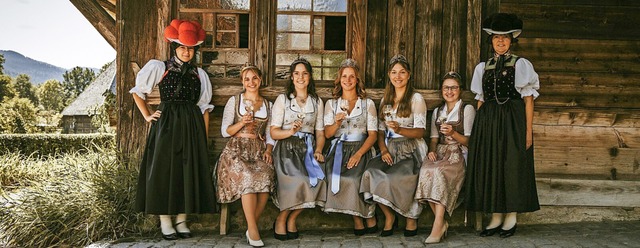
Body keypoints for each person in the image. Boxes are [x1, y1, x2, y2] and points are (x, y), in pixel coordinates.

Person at [130, 19, 216, 240]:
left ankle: (181, 219)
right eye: (182, 48)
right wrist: (148, 115)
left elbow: (204, 108)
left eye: (190, 49)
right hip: (167, 124)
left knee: (187, 171)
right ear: (174, 48)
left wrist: (202, 138)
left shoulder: (200, 75)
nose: (187, 52)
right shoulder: (160, 67)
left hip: (191, 125)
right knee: (165, 170)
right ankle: (165, 220)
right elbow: (137, 92)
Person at [465, 13, 540, 238]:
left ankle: (511, 215)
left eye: (505, 38)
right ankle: (496, 215)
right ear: (491, 41)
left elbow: (528, 99)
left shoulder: (521, 64)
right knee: (492, 165)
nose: (500, 42)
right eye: (496, 38)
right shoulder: (483, 67)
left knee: (512, 165)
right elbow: (480, 99)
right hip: (488, 121)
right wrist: (478, 130)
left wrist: (528, 132)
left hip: (513, 120)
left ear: (511, 40)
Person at [360, 54, 427, 237]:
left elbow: (420, 131)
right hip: (389, 147)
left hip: (410, 148)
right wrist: (383, 150)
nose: (398, 76)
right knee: (370, 173)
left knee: (400, 176)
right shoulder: (385, 100)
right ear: (389, 75)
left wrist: (401, 129)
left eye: (402, 72)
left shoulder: (416, 99)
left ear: (409, 74)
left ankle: (411, 217)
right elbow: (380, 132)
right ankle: (389, 216)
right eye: (394, 72)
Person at [215, 64, 274, 247]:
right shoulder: (235, 101)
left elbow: (271, 134)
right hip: (236, 151)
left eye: (254, 78)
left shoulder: (268, 105)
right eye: (247, 79)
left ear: (260, 80)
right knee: (248, 177)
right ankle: (254, 231)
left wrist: (268, 150)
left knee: (266, 176)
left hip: (257, 150)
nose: (251, 82)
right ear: (242, 81)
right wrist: (241, 122)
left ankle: (250, 226)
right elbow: (225, 131)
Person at [415, 72, 476, 244]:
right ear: (442, 90)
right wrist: (432, 151)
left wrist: (453, 133)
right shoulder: (437, 111)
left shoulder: (467, 109)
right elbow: (434, 139)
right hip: (441, 152)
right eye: (446, 88)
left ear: (460, 90)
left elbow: (470, 142)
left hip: (458, 153)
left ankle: (437, 226)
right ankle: (441, 223)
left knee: (440, 174)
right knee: (426, 170)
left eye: (454, 87)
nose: (450, 91)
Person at [270, 58, 326, 240]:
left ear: (310, 77)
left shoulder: (317, 101)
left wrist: (318, 150)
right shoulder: (283, 99)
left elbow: (320, 132)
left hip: (308, 149)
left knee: (318, 180)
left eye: (305, 73)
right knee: (297, 179)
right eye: (297, 73)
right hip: (287, 149)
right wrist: (290, 131)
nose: (300, 77)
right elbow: (274, 132)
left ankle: (290, 217)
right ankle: (282, 219)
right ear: (292, 77)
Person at [322, 59, 378, 236]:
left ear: (357, 80)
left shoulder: (367, 104)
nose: (348, 80)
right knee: (334, 177)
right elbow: (328, 134)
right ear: (339, 80)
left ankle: (368, 215)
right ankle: (357, 219)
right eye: (344, 76)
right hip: (339, 149)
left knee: (357, 178)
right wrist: (337, 122)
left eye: (352, 76)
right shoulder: (332, 104)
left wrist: (359, 154)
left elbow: (373, 135)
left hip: (362, 148)